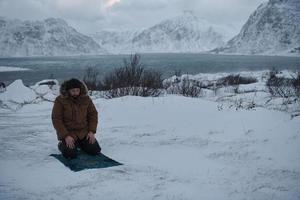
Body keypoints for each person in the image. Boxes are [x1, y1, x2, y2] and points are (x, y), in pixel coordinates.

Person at [51, 78, 101, 159]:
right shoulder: (60, 100)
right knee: (70, 155)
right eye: (73, 91)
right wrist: (65, 136)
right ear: (68, 90)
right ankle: (61, 145)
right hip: (69, 133)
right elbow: (56, 119)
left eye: (77, 90)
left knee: (95, 150)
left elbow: (93, 114)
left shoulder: (86, 99)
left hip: (84, 132)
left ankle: (81, 144)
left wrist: (91, 131)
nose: (76, 93)